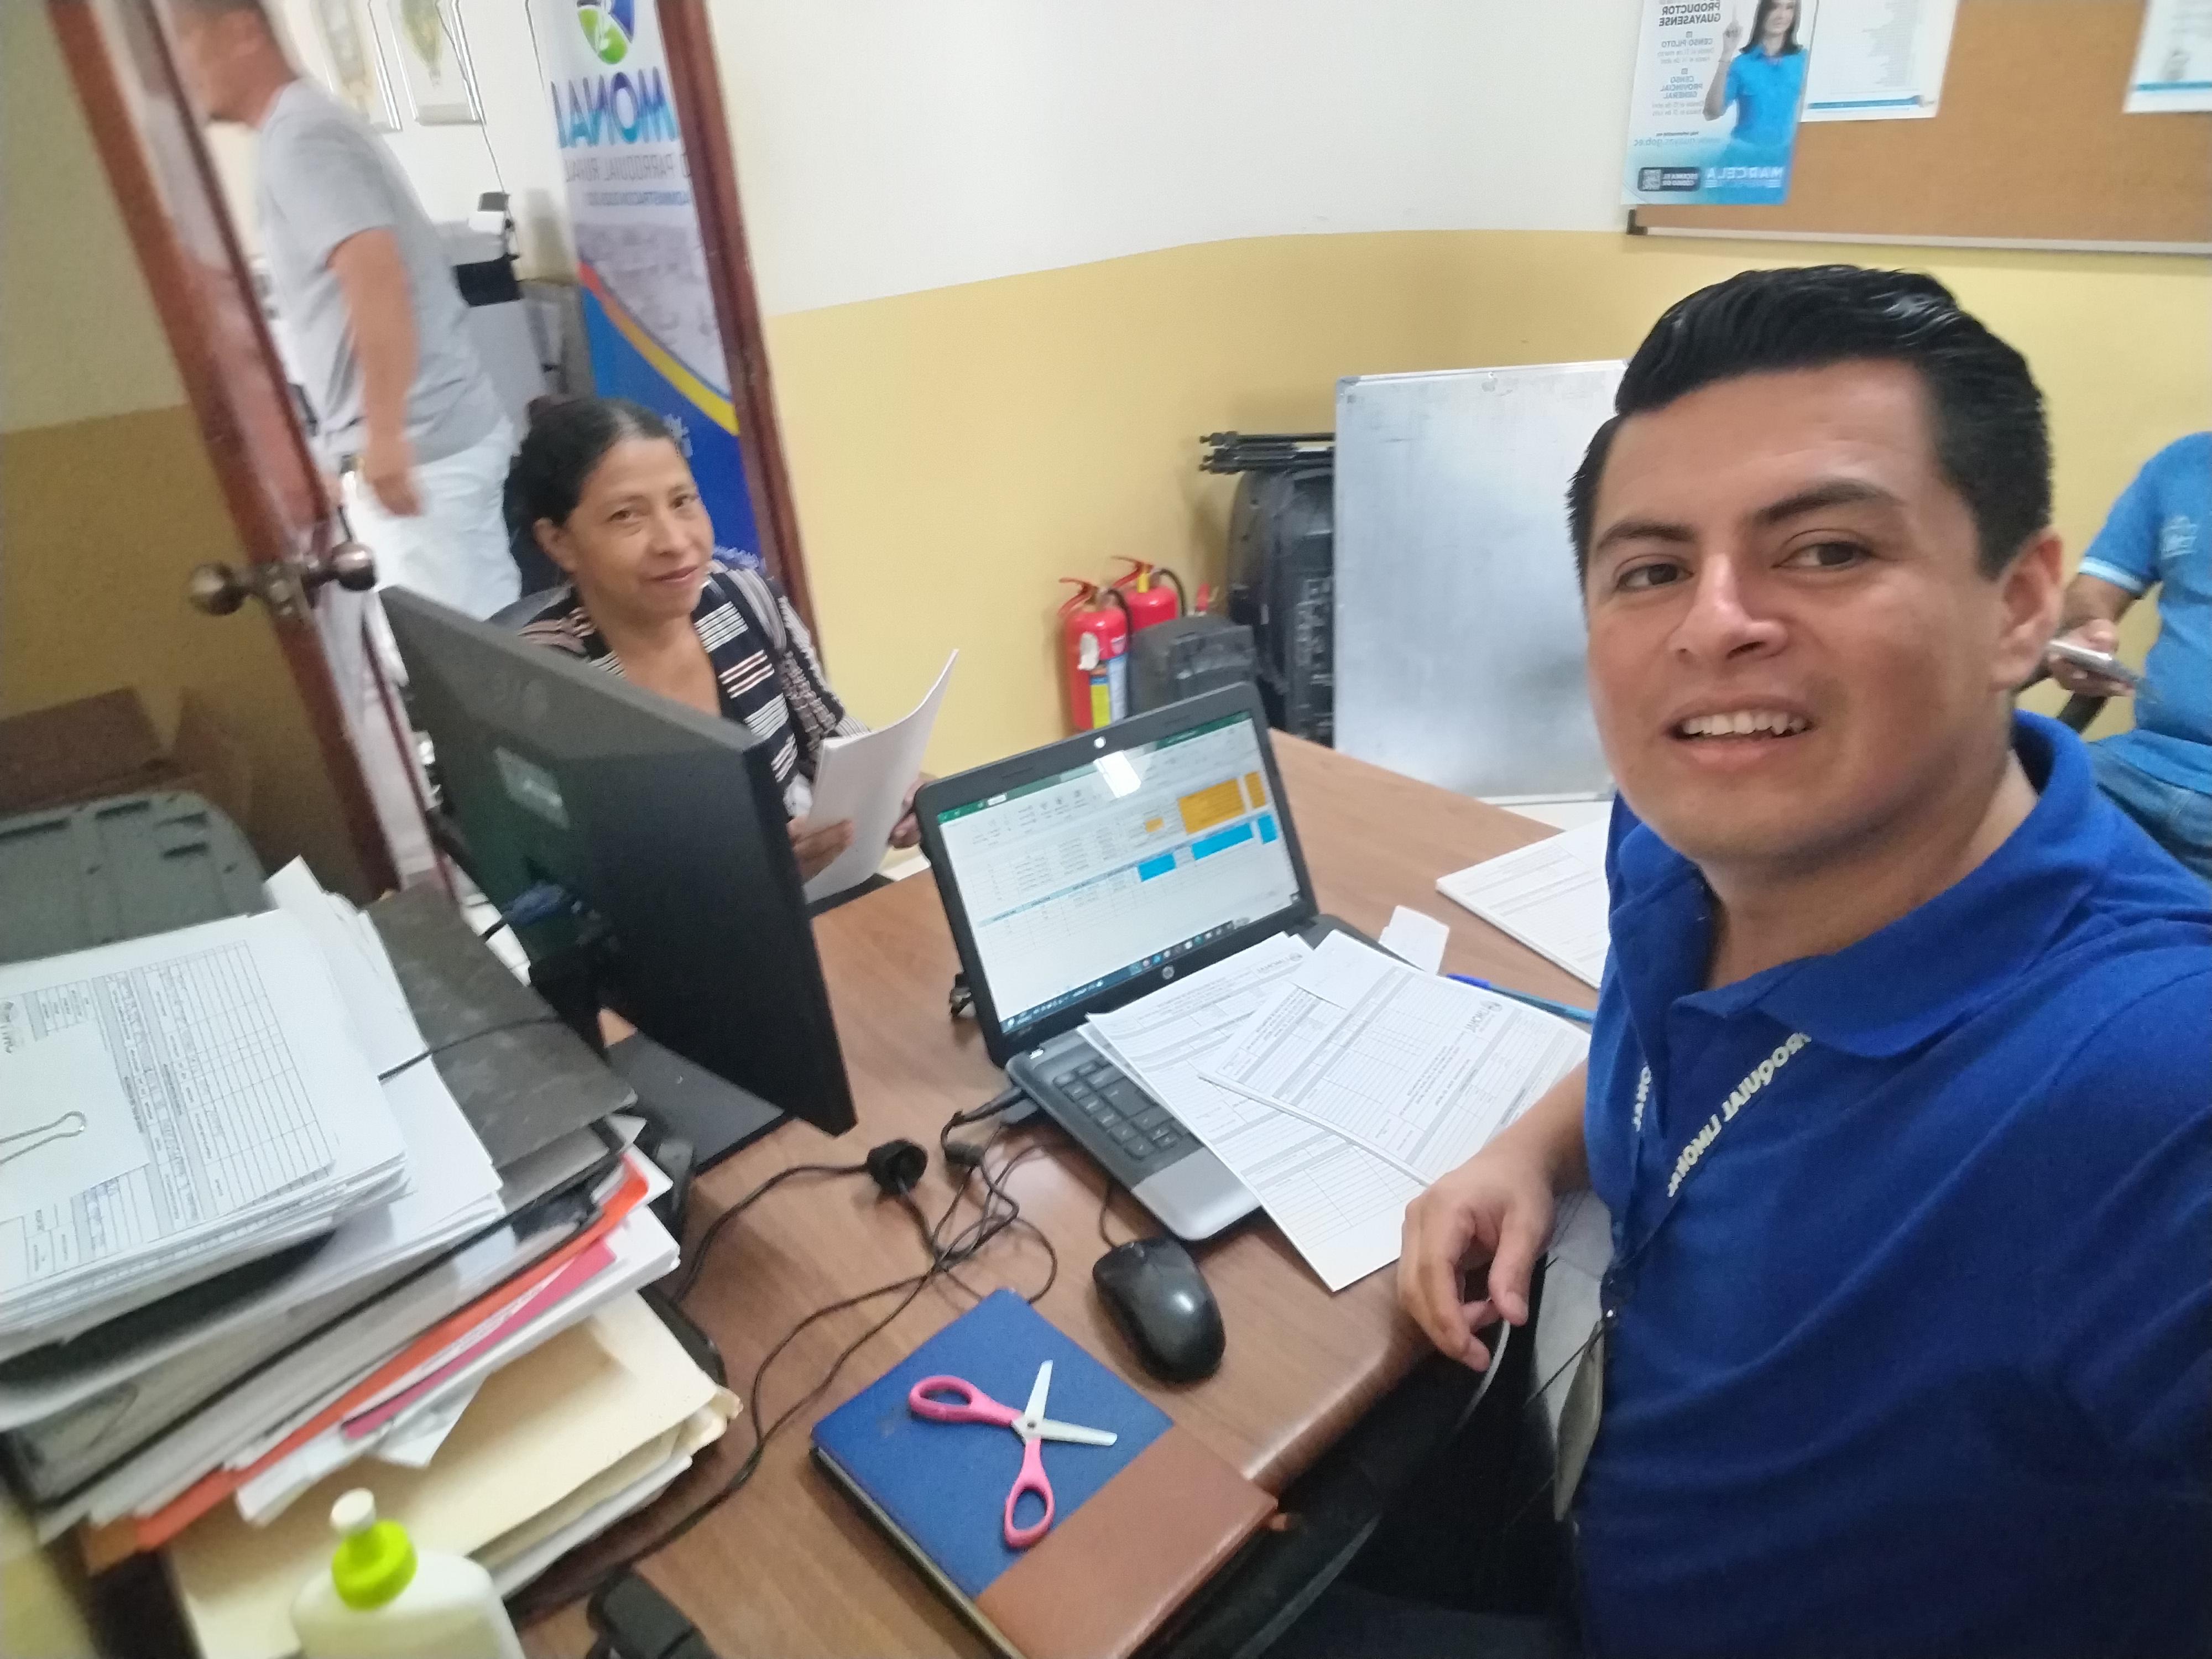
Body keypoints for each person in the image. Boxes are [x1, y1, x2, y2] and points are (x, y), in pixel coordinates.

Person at [1360, 268, 2209, 1658]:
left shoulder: (2153, 1087)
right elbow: (1688, 1038)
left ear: (2018, 604)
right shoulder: (1682, 828)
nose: (1713, 624)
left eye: (1823, 550)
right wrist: (1526, 1149)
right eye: (1649, 571)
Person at [173, 0, 520, 629]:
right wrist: (346, 450)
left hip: (422, 449)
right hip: (419, 442)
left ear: (241, 32)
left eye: (186, 43)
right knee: (465, 637)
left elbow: (375, 277)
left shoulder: (302, 139)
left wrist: (384, 437)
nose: (179, 67)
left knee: (468, 651)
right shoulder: (296, 132)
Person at [509, 397, 921, 885]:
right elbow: (575, 880)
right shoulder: (544, 680)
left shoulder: (744, 598)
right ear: (559, 542)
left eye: (683, 501)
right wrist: (757, 879)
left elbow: (829, 736)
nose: (674, 541)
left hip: (817, 887)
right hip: (686, 922)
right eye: (626, 516)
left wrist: (897, 790)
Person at [2044, 432, 2211, 880]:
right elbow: (2093, 594)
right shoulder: (2182, 464)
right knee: (1980, 816)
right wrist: (2086, 633)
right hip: (2135, 769)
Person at [1700, 0, 1806, 195]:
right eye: (1774, 7)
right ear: (1762, 12)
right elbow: (1712, 112)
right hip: (1741, 164)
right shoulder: (1742, 64)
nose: (1782, 15)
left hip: (1783, 165)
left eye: (1789, 8)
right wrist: (1727, 53)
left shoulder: (1803, 60)